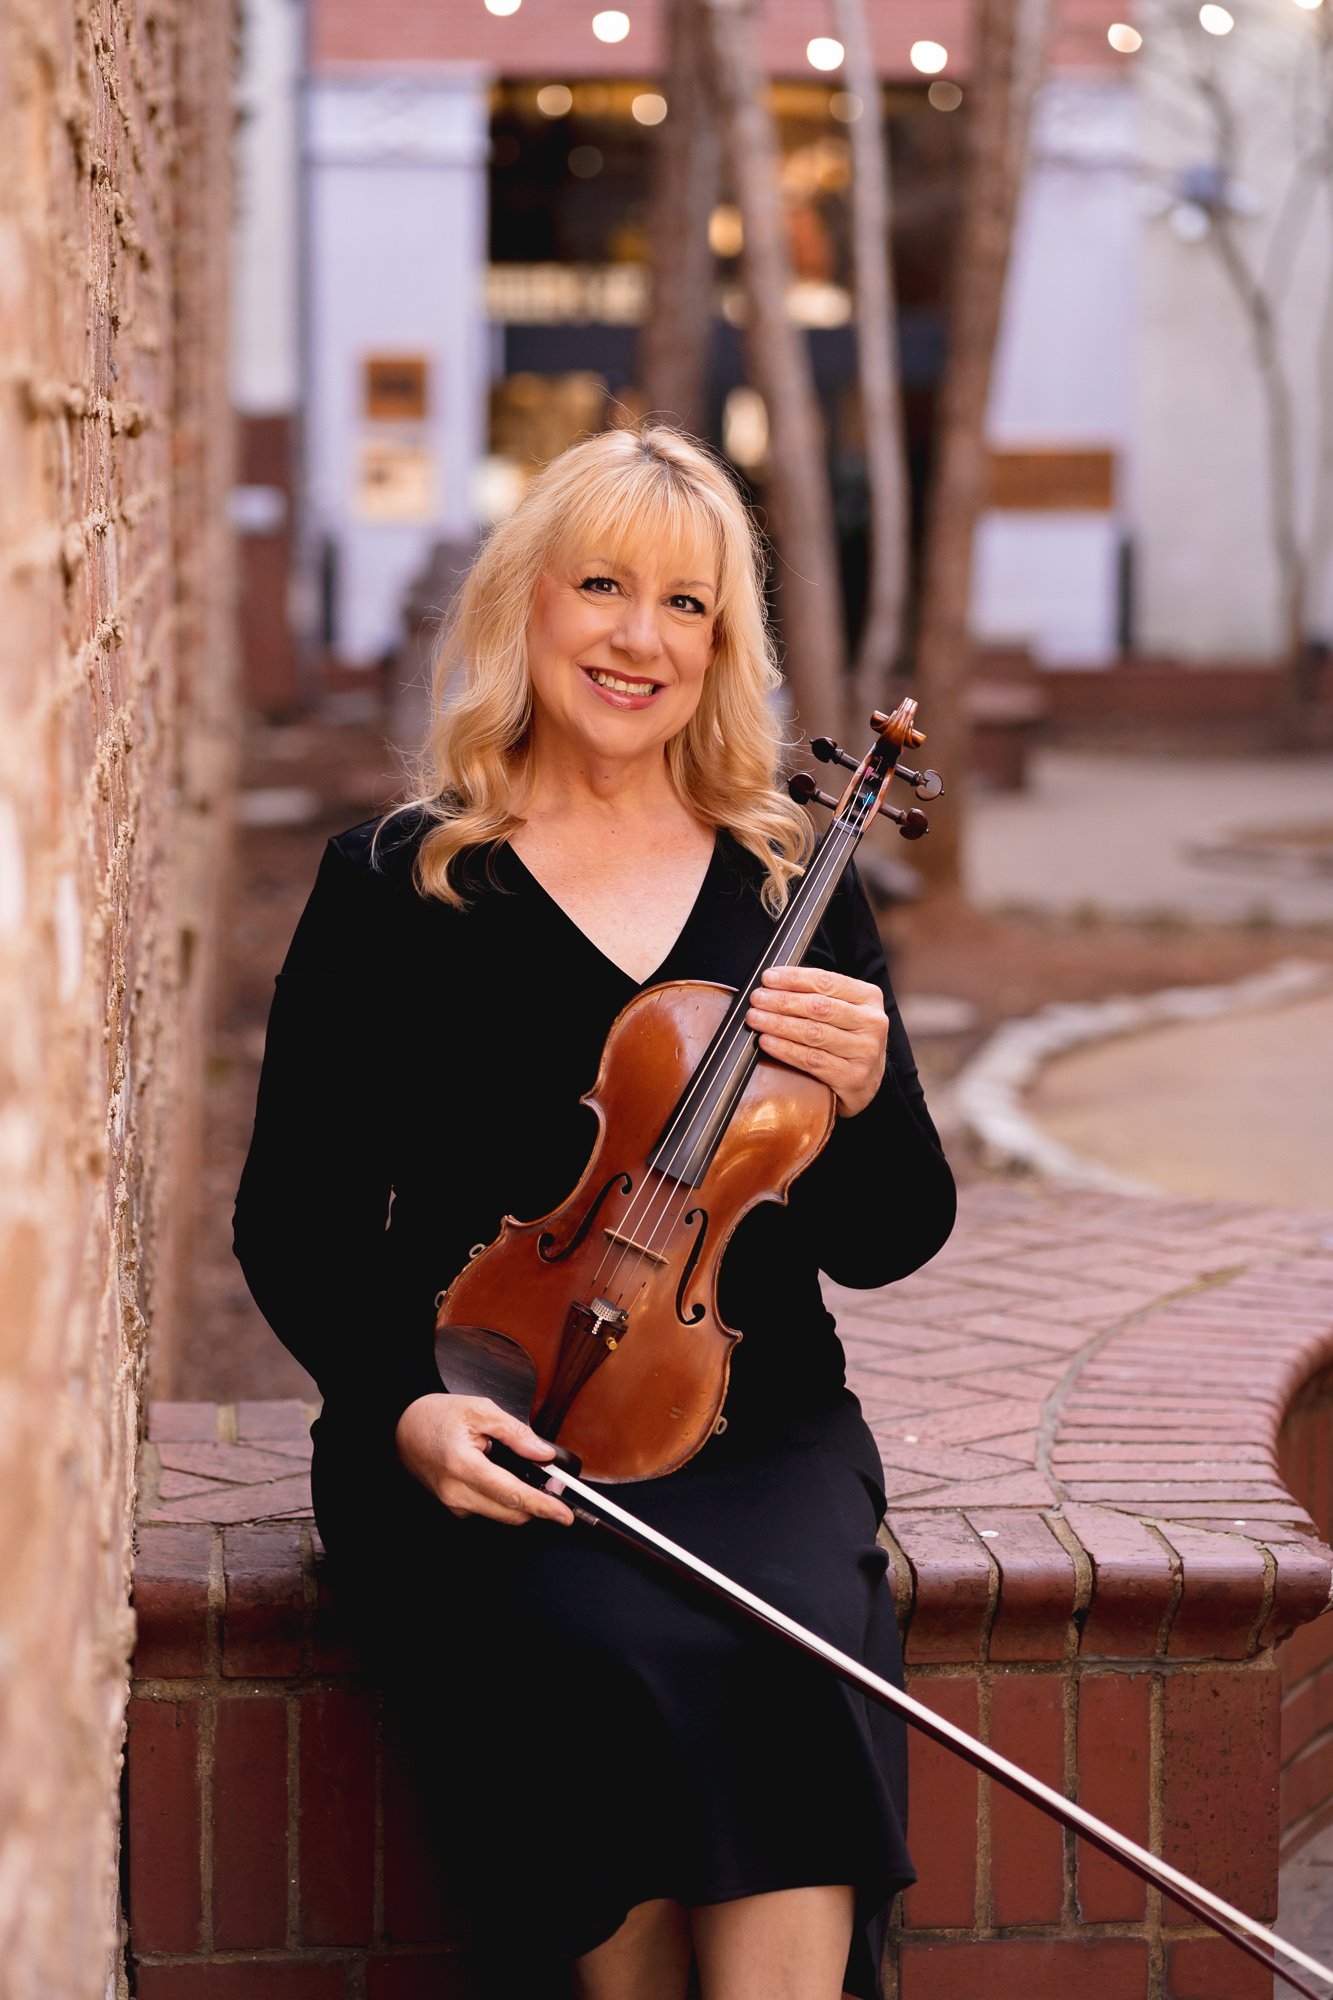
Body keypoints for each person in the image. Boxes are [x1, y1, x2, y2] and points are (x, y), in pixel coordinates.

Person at [233, 425, 956, 2000]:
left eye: (687, 606)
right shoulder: (398, 881)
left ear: (725, 645)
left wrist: (860, 1094)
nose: (640, 639)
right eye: (604, 587)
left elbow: (893, 1236)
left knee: (784, 1643)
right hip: (486, 1410)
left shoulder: (795, 887)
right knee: (597, 1644)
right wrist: (406, 1410)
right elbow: (292, 1220)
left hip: (749, 1413)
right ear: (525, 606)